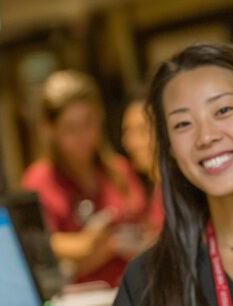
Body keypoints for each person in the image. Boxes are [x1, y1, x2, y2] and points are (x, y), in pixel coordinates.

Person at [114, 43, 233, 306]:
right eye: (183, 124)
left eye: (223, 111)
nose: (206, 137)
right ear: (170, 148)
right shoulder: (146, 280)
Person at [22, 70, 147, 287]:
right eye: (71, 129)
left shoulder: (119, 169)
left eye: (89, 123)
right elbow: (37, 244)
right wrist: (86, 244)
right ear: (50, 130)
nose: (83, 137)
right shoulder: (39, 182)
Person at [121, 99, 165, 232]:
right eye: (127, 132)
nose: (131, 143)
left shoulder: (177, 190)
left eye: (142, 131)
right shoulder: (156, 187)